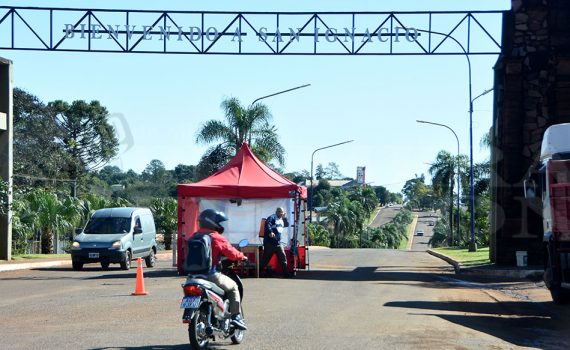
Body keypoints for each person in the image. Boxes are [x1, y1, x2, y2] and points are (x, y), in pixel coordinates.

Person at [191, 209, 248, 330]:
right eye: (219, 222)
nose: (220, 225)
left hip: (192, 276)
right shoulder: (216, 237)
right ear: (212, 223)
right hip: (211, 275)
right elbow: (231, 253)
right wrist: (242, 256)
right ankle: (236, 317)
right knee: (233, 287)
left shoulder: (194, 236)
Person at [260, 207, 292, 278]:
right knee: (265, 260)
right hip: (270, 243)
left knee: (283, 258)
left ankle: (286, 274)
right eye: (280, 212)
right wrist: (271, 232)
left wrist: (284, 217)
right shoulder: (272, 217)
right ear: (277, 212)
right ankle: (258, 272)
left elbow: (286, 224)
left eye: (282, 212)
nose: (281, 213)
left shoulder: (282, 219)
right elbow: (268, 224)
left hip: (278, 243)